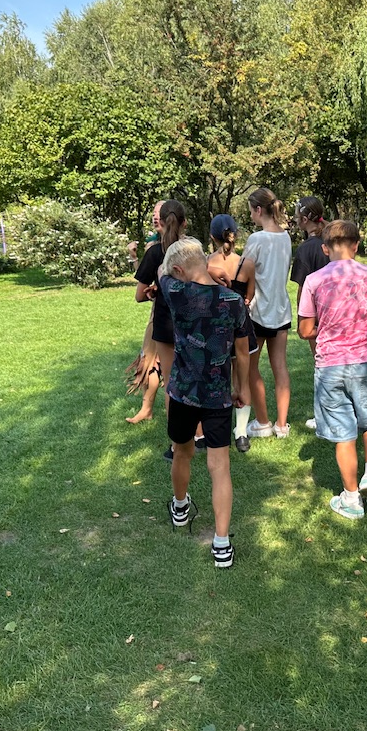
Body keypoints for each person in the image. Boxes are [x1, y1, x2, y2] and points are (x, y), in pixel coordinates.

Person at [159, 238, 250, 568]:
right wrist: (241, 387)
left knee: (182, 451)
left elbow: (162, 274)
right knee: (219, 466)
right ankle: (221, 544)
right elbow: (242, 351)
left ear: (179, 270)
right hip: (218, 395)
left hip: (182, 393)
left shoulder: (175, 291)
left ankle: (180, 506)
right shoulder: (233, 300)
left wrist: (203, 268)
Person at [297, 220, 367, 519]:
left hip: (331, 364)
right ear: (357, 245)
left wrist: (325, 328)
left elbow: (305, 330)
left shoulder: (313, 280)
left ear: (325, 249)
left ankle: (350, 498)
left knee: (343, 433)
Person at [134, 200, 189, 460]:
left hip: (166, 324)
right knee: (192, 379)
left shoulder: (155, 253)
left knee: (171, 384)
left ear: (163, 223)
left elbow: (139, 296)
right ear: (184, 223)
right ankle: (199, 435)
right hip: (192, 322)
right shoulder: (192, 250)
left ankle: (176, 444)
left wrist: (154, 290)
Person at [242, 188, 294, 438]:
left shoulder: (257, 239)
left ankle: (262, 422)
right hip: (281, 310)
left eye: (251, 211)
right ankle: (282, 425)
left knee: (251, 367)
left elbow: (243, 272)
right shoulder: (286, 237)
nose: (250, 216)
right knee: (280, 367)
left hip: (258, 311)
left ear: (258, 209)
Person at [207, 213, 258, 453]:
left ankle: (216, 428)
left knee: (218, 377)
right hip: (241, 324)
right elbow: (250, 295)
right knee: (242, 378)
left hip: (215, 326)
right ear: (235, 235)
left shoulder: (206, 263)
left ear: (212, 237)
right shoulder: (246, 263)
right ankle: (241, 433)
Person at [125, 202, 168, 423]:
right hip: (181, 316)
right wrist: (135, 259)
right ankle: (147, 409)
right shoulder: (187, 246)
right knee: (153, 362)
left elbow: (140, 293)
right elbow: (145, 277)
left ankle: (152, 409)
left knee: (152, 361)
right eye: (153, 213)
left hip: (162, 317)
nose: (155, 217)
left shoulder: (159, 249)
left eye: (159, 213)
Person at [291, 196, 329, 431]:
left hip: (316, 316)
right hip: (341, 312)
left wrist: (301, 319)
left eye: (297, 216)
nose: (295, 220)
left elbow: (302, 290)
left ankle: (323, 415)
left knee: (322, 364)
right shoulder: (333, 240)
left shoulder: (306, 249)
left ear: (305, 219)